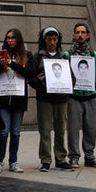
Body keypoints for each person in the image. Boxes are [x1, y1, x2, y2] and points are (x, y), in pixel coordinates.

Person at [0, 29, 34, 173]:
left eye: (13, 38)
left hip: (18, 99)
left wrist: (12, 64)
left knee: (15, 132)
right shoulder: (0, 54)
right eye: (7, 37)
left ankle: (13, 161)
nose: (10, 40)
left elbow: (30, 73)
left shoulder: (27, 55)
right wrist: (0, 64)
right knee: (4, 131)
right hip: (3, 99)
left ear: (18, 39)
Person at [28, 27, 72, 172]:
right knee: (45, 130)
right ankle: (45, 159)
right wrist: (42, 86)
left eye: (54, 39)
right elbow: (32, 77)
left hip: (61, 99)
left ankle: (61, 158)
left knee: (61, 129)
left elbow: (72, 77)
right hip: (45, 99)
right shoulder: (37, 57)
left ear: (58, 40)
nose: (52, 42)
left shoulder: (64, 57)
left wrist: (68, 86)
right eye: (49, 39)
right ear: (44, 40)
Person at [63, 23, 96, 168]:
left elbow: (94, 74)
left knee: (91, 129)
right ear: (74, 35)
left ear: (87, 35)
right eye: (77, 32)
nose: (80, 35)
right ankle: (73, 156)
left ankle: (90, 156)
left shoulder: (93, 55)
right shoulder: (68, 55)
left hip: (90, 96)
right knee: (73, 129)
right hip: (74, 97)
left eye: (83, 32)